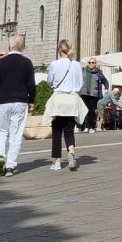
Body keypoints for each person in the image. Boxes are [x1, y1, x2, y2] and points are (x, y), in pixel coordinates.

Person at [0, 33, 36, 176]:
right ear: (22, 47)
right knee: (16, 134)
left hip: (3, 101)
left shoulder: (1, 62)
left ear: (10, 46)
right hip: (20, 101)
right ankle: (10, 166)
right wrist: (31, 100)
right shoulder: (27, 63)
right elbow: (31, 84)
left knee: (1, 131)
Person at [46, 40, 85, 170]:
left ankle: (57, 161)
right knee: (69, 130)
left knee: (57, 131)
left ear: (59, 50)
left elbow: (49, 81)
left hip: (59, 98)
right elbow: (80, 84)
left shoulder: (54, 64)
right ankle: (71, 153)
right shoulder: (77, 65)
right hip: (72, 99)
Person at [79, 56, 105, 133]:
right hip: (83, 93)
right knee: (84, 110)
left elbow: (105, 81)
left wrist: (106, 88)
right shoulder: (83, 70)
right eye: (89, 62)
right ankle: (82, 126)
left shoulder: (99, 72)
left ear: (95, 64)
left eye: (92, 62)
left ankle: (90, 127)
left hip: (94, 94)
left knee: (91, 111)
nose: (90, 64)